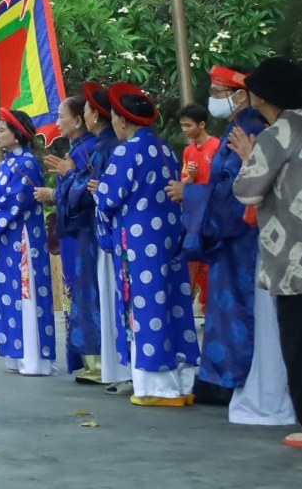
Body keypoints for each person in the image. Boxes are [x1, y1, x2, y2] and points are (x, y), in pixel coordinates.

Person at [229, 56, 302, 451]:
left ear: (260, 94)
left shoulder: (278, 134)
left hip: (299, 257)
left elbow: (247, 190)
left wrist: (248, 159)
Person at [180, 64, 288, 416]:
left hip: (243, 237)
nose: (213, 99)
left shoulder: (250, 130)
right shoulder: (241, 128)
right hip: (236, 235)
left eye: (218, 92)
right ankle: (230, 382)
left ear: (242, 95)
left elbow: (234, 188)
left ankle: (238, 383)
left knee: (243, 312)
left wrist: (192, 194)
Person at [92, 82, 200, 406]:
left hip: (138, 241)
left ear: (122, 121)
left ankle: (156, 387)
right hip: (169, 237)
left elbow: (110, 199)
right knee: (173, 304)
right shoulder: (165, 148)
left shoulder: (125, 151)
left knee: (144, 307)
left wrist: (97, 191)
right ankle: (183, 382)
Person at [0, 107, 56, 375]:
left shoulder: (27, 163)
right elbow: (0, 199)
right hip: (10, 239)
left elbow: (13, 202)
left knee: (25, 293)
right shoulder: (11, 162)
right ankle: (17, 355)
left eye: (1, 130)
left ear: (17, 135)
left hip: (23, 240)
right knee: (11, 294)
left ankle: (33, 359)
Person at [42, 93, 102, 381]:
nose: (57, 122)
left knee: (85, 290)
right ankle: (89, 361)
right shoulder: (77, 149)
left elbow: (87, 192)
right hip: (74, 234)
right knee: (75, 292)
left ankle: (97, 361)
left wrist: (55, 192)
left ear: (79, 120)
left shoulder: (87, 150)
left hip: (84, 233)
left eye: (61, 116)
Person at [78, 82, 131, 388]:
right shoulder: (106, 146)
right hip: (108, 230)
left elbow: (102, 192)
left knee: (115, 297)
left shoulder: (105, 148)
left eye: (85, 110)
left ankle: (118, 369)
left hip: (111, 234)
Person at [173, 101, 220, 311]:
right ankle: (199, 306)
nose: (185, 130)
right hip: (194, 214)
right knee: (194, 261)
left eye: (188, 125)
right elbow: (184, 185)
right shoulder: (188, 152)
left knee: (211, 263)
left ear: (202, 125)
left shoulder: (217, 147)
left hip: (214, 211)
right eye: (182, 126)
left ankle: (213, 307)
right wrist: (190, 176)